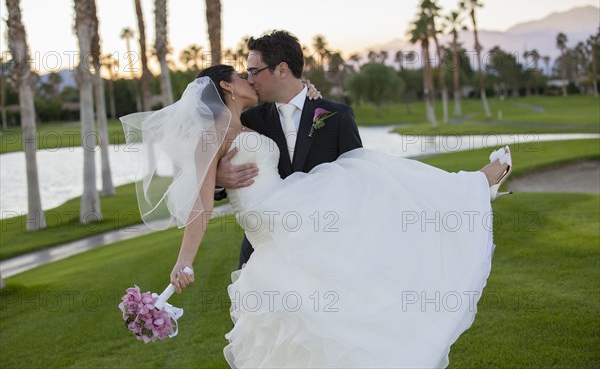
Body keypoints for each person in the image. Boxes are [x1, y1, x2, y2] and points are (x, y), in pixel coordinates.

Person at [120, 64, 512, 368]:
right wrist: (184, 261)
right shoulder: (215, 132)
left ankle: (469, 190)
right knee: (362, 182)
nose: (249, 81)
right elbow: (201, 202)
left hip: (282, 206)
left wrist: (306, 97)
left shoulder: (247, 121)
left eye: (252, 72)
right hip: (271, 213)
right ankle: (474, 186)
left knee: (344, 247)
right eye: (242, 76)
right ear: (226, 86)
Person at [214, 30, 363, 269]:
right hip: (263, 251)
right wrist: (218, 179)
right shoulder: (248, 122)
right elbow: (204, 175)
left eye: (254, 71)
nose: (249, 80)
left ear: (282, 70)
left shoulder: (338, 117)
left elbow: (356, 181)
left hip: (326, 248)